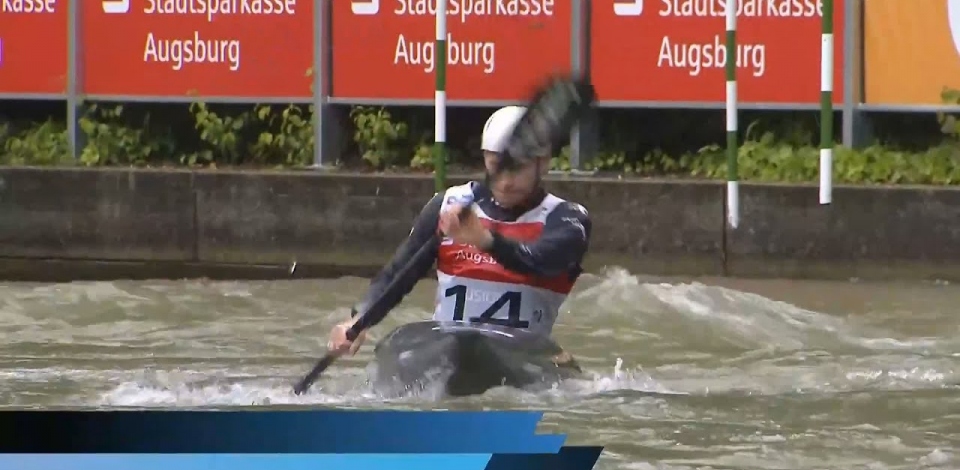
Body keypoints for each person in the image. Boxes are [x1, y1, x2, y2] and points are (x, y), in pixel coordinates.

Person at [327, 105, 593, 355]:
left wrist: (487, 241)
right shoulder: (448, 205)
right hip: (448, 349)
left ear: (543, 163)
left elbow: (541, 261)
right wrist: (360, 320)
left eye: (518, 168)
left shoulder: (567, 219)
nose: (506, 181)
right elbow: (399, 273)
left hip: (518, 356)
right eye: (497, 165)